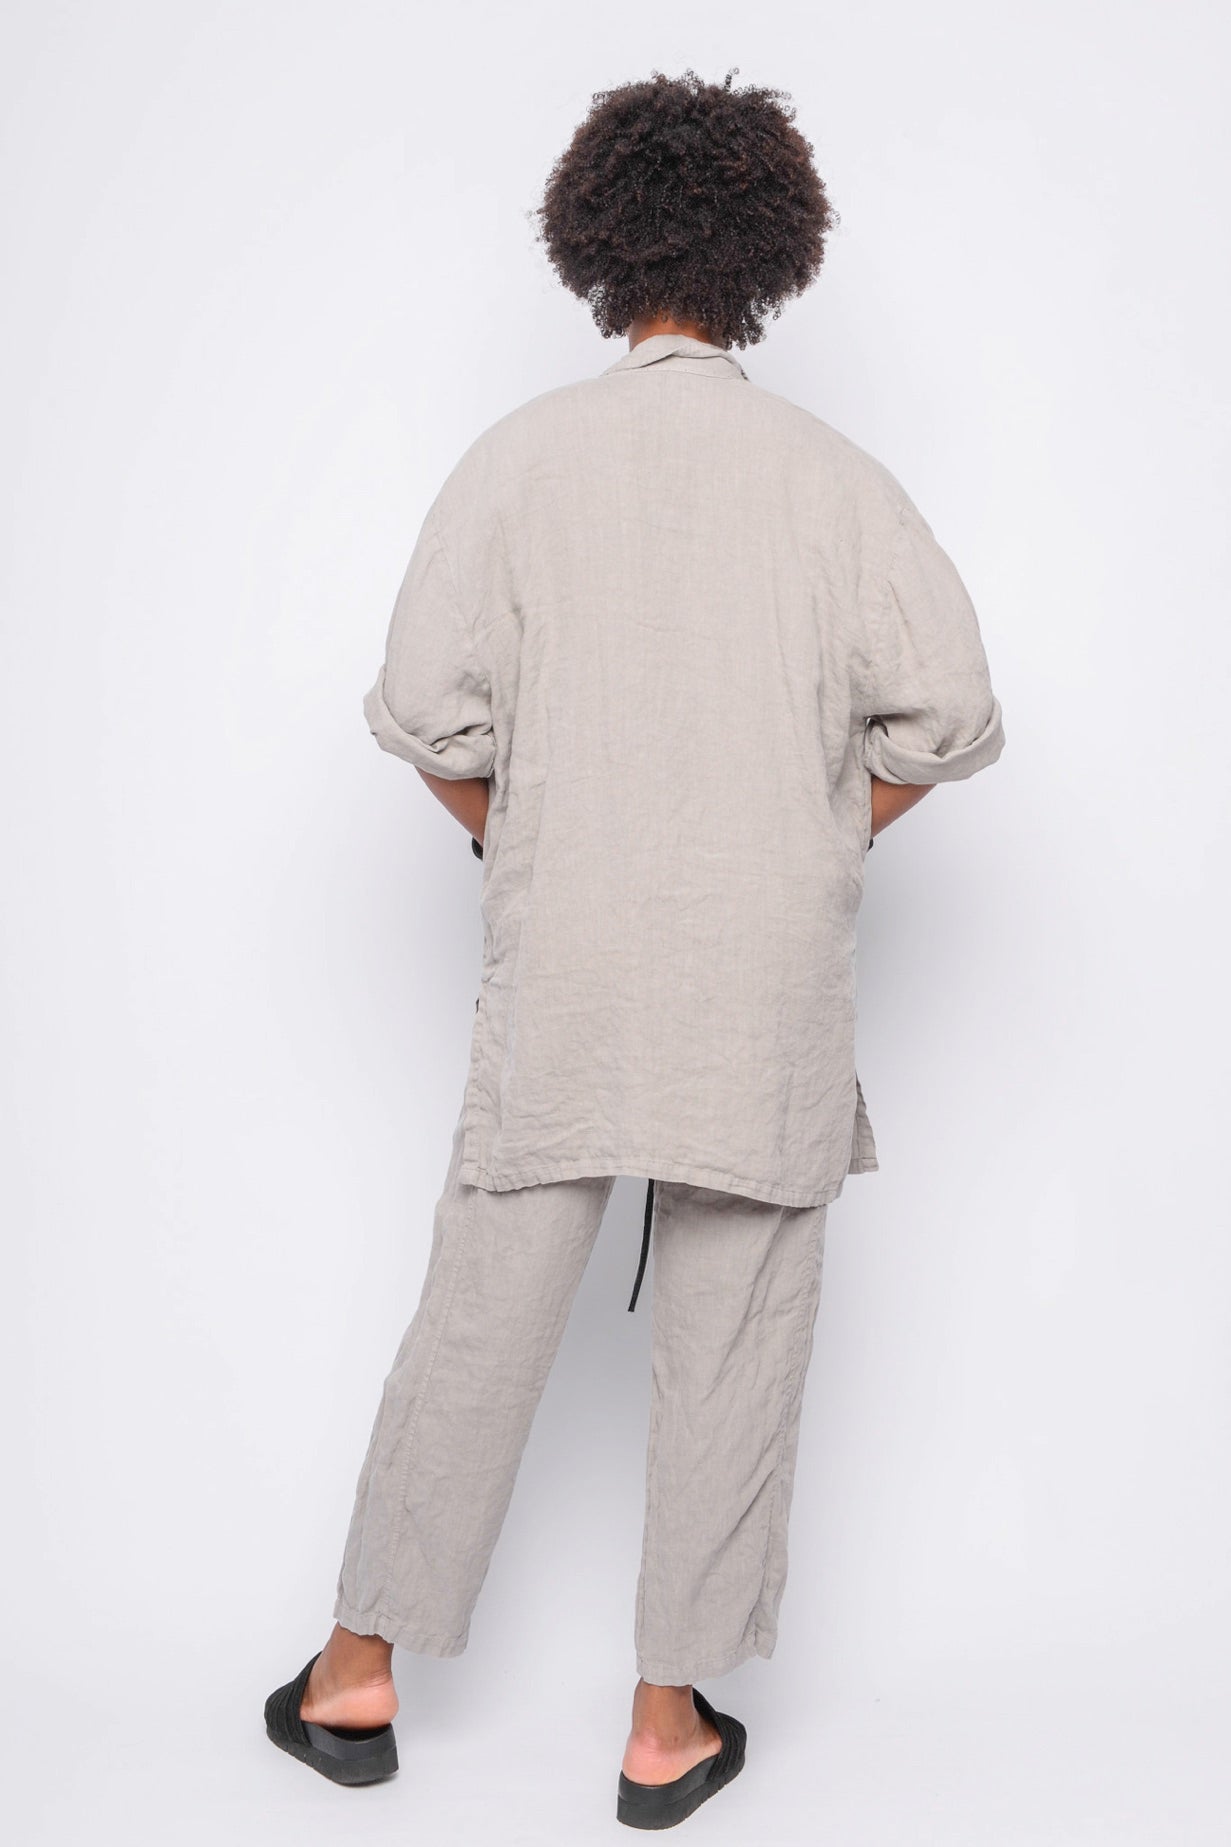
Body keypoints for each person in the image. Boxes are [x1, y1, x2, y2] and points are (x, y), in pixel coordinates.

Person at [263, 67, 1005, 1830]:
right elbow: (953, 719)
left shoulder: (517, 464)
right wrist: (823, 834)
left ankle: (355, 1676)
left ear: (598, 244)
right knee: (737, 1330)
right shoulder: (837, 482)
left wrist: (519, 836)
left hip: (569, 970)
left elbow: (426, 717)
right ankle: (666, 1728)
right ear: (770, 253)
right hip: (766, 978)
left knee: (481, 1313)